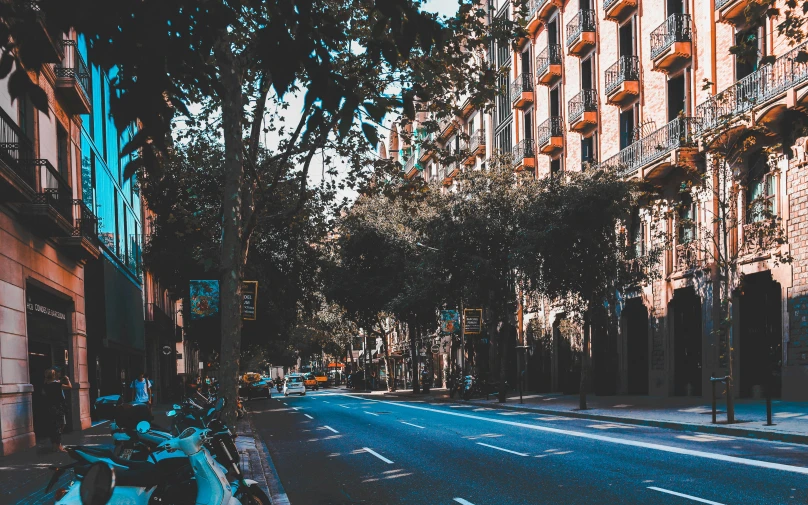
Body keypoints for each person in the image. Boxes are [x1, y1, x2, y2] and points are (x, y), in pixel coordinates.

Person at [43, 368, 71, 452]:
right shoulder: (57, 385)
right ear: (54, 376)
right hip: (58, 408)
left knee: (53, 426)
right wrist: (68, 379)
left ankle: (54, 444)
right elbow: (70, 387)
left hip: (50, 408)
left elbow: (43, 393)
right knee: (60, 425)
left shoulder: (45, 385)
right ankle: (59, 446)